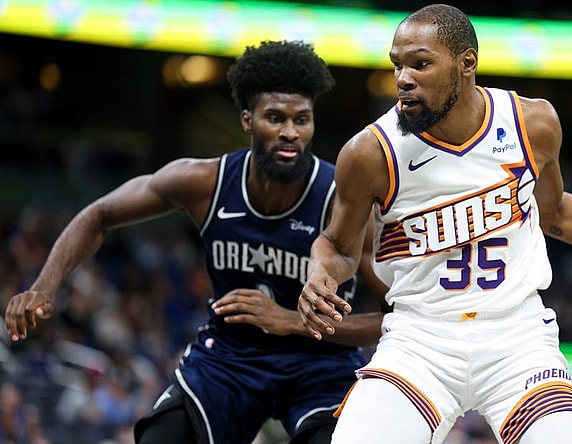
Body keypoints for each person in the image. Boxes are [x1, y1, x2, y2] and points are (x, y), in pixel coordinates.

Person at [297, 4, 572, 444]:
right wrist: (318, 276)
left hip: (517, 337)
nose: (404, 77)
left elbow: (554, 213)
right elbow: (338, 246)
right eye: (398, 64)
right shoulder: (370, 152)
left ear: (466, 65)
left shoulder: (531, 123)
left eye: (420, 63)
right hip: (421, 340)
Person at [4, 40, 388, 444]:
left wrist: (291, 320)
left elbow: (390, 321)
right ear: (247, 120)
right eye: (275, 118)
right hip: (229, 359)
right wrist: (43, 288)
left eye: (302, 120)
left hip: (320, 365)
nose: (290, 133)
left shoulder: (343, 200)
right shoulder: (205, 182)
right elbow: (98, 215)